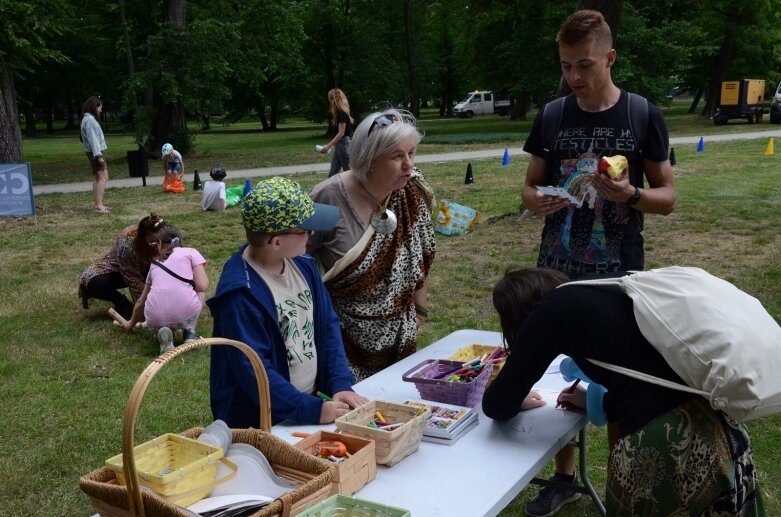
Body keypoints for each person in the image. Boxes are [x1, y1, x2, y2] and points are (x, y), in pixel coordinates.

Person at [519, 10, 676, 514]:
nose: (575, 78)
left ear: (610, 57)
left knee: (616, 370)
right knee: (549, 366)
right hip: (557, 261)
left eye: (585, 65)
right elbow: (528, 185)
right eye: (566, 66)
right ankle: (564, 477)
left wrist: (630, 194)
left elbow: (668, 196)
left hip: (618, 267)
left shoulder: (641, 114)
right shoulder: (552, 115)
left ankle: (623, 476)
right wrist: (535, 199)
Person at [483, 268, 764, 516]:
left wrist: (515, 397)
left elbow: (496, 405)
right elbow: (645, 374)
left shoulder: (549, 311)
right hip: (719, 426)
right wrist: (604, 402)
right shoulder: (608, 286)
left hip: (666, 446)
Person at [208, 176, 369, 426]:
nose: (312, 234)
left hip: (307, 406)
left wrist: (339, 382)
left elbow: (327, 324)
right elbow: (255, 372)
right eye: (305, 230)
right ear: (276, 242)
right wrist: (310, 410)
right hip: (263, 422)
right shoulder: (240, 294)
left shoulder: (303, 265)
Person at [307, 109, 436, 382]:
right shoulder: (327, 197)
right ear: (369, 160)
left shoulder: (411, 191)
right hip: (342, 337)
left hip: (401, 334)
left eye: (411, 153)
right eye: (397, 156)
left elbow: (421, 256)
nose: (409, 165)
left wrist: (420, 312)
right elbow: (297, 263)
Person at [121, 224, 208, 354]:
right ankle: (190, 333)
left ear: (159, 243)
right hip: (185, 315)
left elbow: (141, 302)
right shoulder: (191, 252)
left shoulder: (155, 263)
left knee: (162, 311)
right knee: (199, 293)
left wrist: (130, 324)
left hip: (154, 319)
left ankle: (163, 333)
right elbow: (202, 286)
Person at [79, 213, 166, 320]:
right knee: (92, 281)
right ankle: (123, 305)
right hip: (121, 270)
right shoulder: (127, 245)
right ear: (143, 239)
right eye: (153, 242)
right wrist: (143, 309)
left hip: (150, 266)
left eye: (161, 241)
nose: (158, 245)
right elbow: (133, 280)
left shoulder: (168, 235)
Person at [80, 95, 110, 213]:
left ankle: (98, 204)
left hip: (93, 152)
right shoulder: (90, 121)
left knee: (98, 177)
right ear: (94, 107)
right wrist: (98, 155)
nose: (101, 110)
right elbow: (93, 139)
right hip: (95, 152)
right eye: (99, 108)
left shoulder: (86, 119)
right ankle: (99, 205)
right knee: (103, 177)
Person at [320, 88, 354, 177]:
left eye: (329, 99)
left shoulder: (342, 113)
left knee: (349, 172)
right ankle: (331, 190)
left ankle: (356, 190)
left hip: (344, 145)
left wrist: (328, 146)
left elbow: (341, 133)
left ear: (333, 100)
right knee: (333, 173)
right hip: (339, 146)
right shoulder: (339, 113)